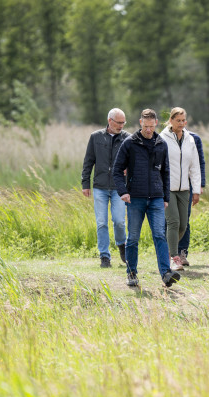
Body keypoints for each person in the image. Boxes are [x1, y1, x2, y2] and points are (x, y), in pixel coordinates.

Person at [112, 109, 180, 288]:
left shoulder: (161, 144)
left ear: (156, 123)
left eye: (151, 126)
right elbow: (117, 170)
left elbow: (166, 172)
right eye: (145, 126)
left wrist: (165, 196)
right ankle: (131, 273)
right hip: (135, 198)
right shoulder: (129, 143)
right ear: (141, 122)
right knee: (133, 238)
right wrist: (123, 192)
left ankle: (166, 273)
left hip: (157, 198)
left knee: (159, 235)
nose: (148, 129)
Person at [81, 108, 129, 268]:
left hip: (119, 187)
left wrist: (130, 169)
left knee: (119, 221)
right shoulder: (95, 137)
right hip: (100, 187)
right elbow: (88, 161)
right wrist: (85, 184)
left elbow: (134, 160)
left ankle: (122, 245)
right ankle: (104, 257)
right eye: (119, 122)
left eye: (123, 123)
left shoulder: (127, 138)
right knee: (101, 222)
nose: (121, 126)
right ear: (110, 121)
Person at [160, 107, 203, 271]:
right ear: (170, 121)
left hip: (185, 188)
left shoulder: (190, 139)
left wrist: (196, 189)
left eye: (183, 120)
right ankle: (173, 257)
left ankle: (166, 251)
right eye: (178, 120)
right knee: (173, 222)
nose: (181, 123)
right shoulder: (162, 139)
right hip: (167, 188)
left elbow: (195, 166)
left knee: (183, 225)